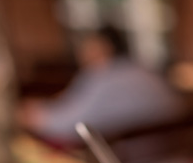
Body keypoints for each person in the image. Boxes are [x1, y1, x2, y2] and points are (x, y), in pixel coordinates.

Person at [19, 25, 182, 144]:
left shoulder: (100, 76)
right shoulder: (146, 71)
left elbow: (68, 125)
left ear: (104, 47)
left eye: (87, 46)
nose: (81, 53)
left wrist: (30, 114)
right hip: (167, 158)